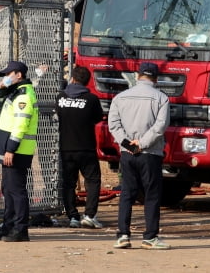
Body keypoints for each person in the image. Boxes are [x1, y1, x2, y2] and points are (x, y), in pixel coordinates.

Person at [107, 61, 171, 251]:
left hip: (127, 154)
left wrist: (127, 143)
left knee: (127, 193)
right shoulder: (162, 98)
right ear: (156, 78)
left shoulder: (120, 97)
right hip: (150, 153)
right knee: (151, 195)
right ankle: (150, 237)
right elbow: (160, 127)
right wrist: (141, 144)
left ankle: (123, 235)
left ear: (137, 75)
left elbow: (114, 125)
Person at [0, 60, 38, 242]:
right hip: (11, 150)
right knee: (8, 190)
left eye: (8, 75)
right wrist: (2, 84)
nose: (6, 78)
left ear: (19, 75)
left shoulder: (24, 96)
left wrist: (10, 149)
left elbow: (20, 125)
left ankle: (21, 229)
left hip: (17, 151)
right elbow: (0, 93)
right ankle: (7, 226)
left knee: (16, 191)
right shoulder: (16, 92)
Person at [57, 64, 105, 229]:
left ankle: (72, 216)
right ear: (87, 82)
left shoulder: (61, 97)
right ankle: (90, 215)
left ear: (72, 79)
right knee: (92, 181)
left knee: (68, 183)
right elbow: (98, 117)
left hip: (65, 147)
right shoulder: (91, 99)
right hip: (86, 147)